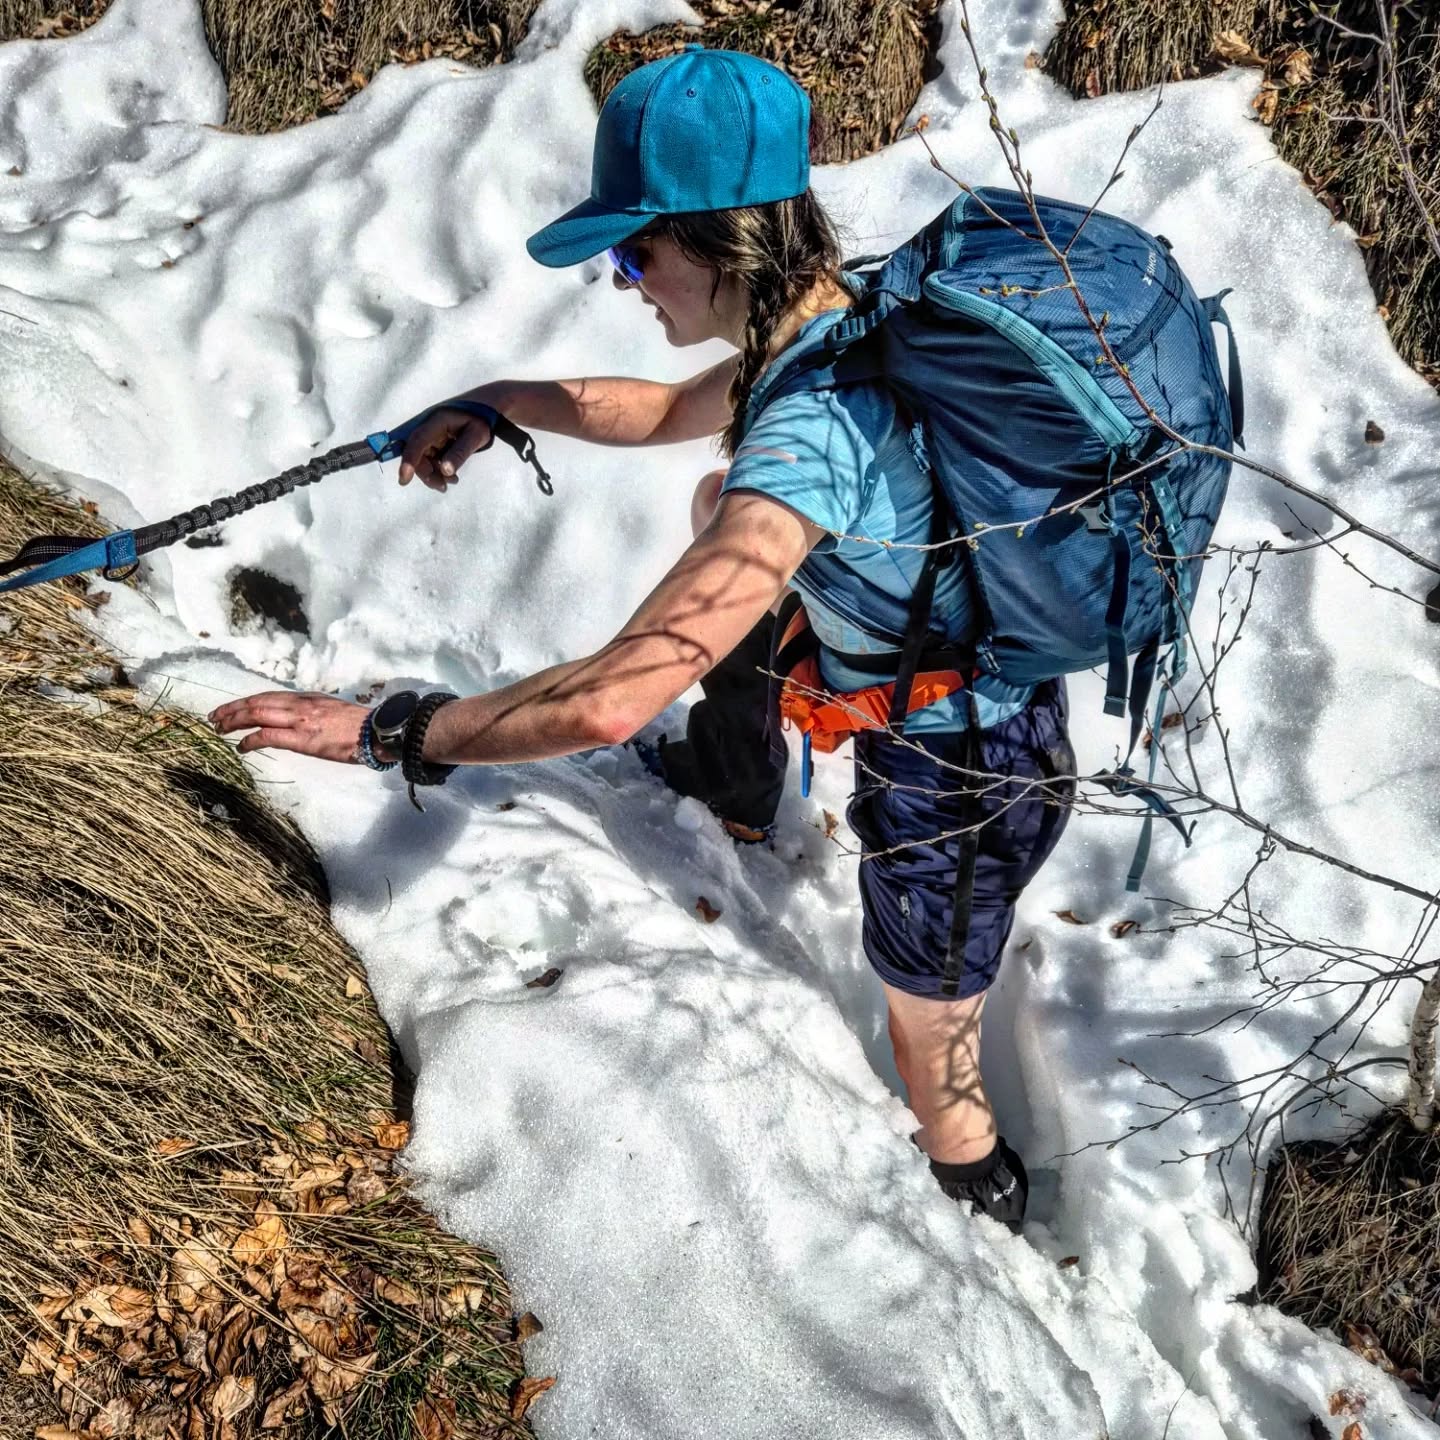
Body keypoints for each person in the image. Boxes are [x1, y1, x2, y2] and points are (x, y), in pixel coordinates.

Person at [208, 45, 1075, 1231]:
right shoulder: (836, 323)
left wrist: (392, 732)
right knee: (717, 499)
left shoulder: (810, 435)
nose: (623, 282)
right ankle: (736, 773)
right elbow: (665, 410)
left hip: (963, 779)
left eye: (634, 253)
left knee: (933, 1036)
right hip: (945, 691)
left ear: (724, 242)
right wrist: (501, 401)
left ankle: (976, 1202)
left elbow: (615, 695)